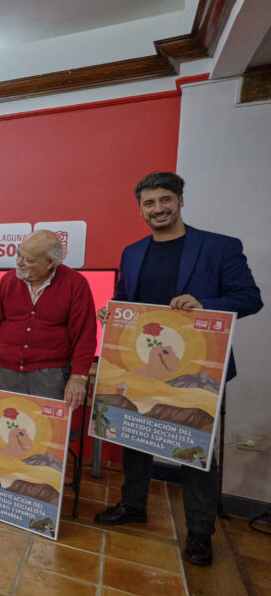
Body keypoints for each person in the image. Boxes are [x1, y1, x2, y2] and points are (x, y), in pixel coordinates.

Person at [93, 172, 262, 567]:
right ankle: (133, 504)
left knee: (194, 450)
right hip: (139, 366)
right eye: (149, 203)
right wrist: (112, 312)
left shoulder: (220, 247)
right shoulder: (132, 252)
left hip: (197, 370)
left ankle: (200, 532)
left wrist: (205, 305)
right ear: (140, 209)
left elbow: (249, 299)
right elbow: (125, 300)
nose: (158, 209)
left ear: (180, 200)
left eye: (165, 200)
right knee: (133, 436)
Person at [0, 230, 95, 411]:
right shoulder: (8, 281)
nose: (19, 262)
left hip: (49, 376)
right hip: (3, 371)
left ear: (50, 263)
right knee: (0, 426)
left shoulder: (76, 284)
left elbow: (85, 336)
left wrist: (78, 377)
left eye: (28, 259)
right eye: (19, 255)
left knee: (44, 427)